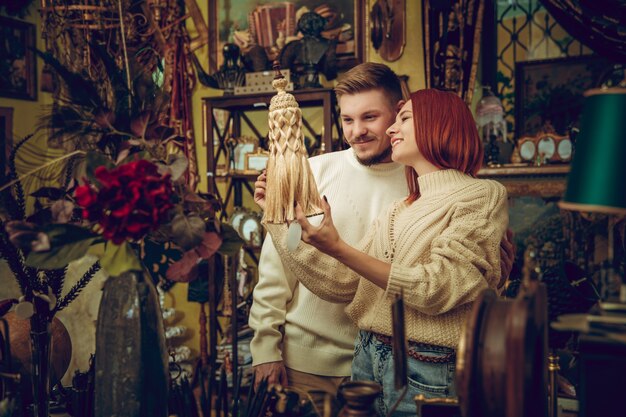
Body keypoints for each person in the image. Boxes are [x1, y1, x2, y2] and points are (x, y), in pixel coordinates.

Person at [249, 63, 514, 403]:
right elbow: (318, 278)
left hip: (411, 365)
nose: (357, 131)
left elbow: (446, 284)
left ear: (398, 113)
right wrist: (265, 347)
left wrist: (491, 276)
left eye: (372, 118)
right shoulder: (331, 179)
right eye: (347, 120)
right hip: (329, 360)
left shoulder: (440, 191)